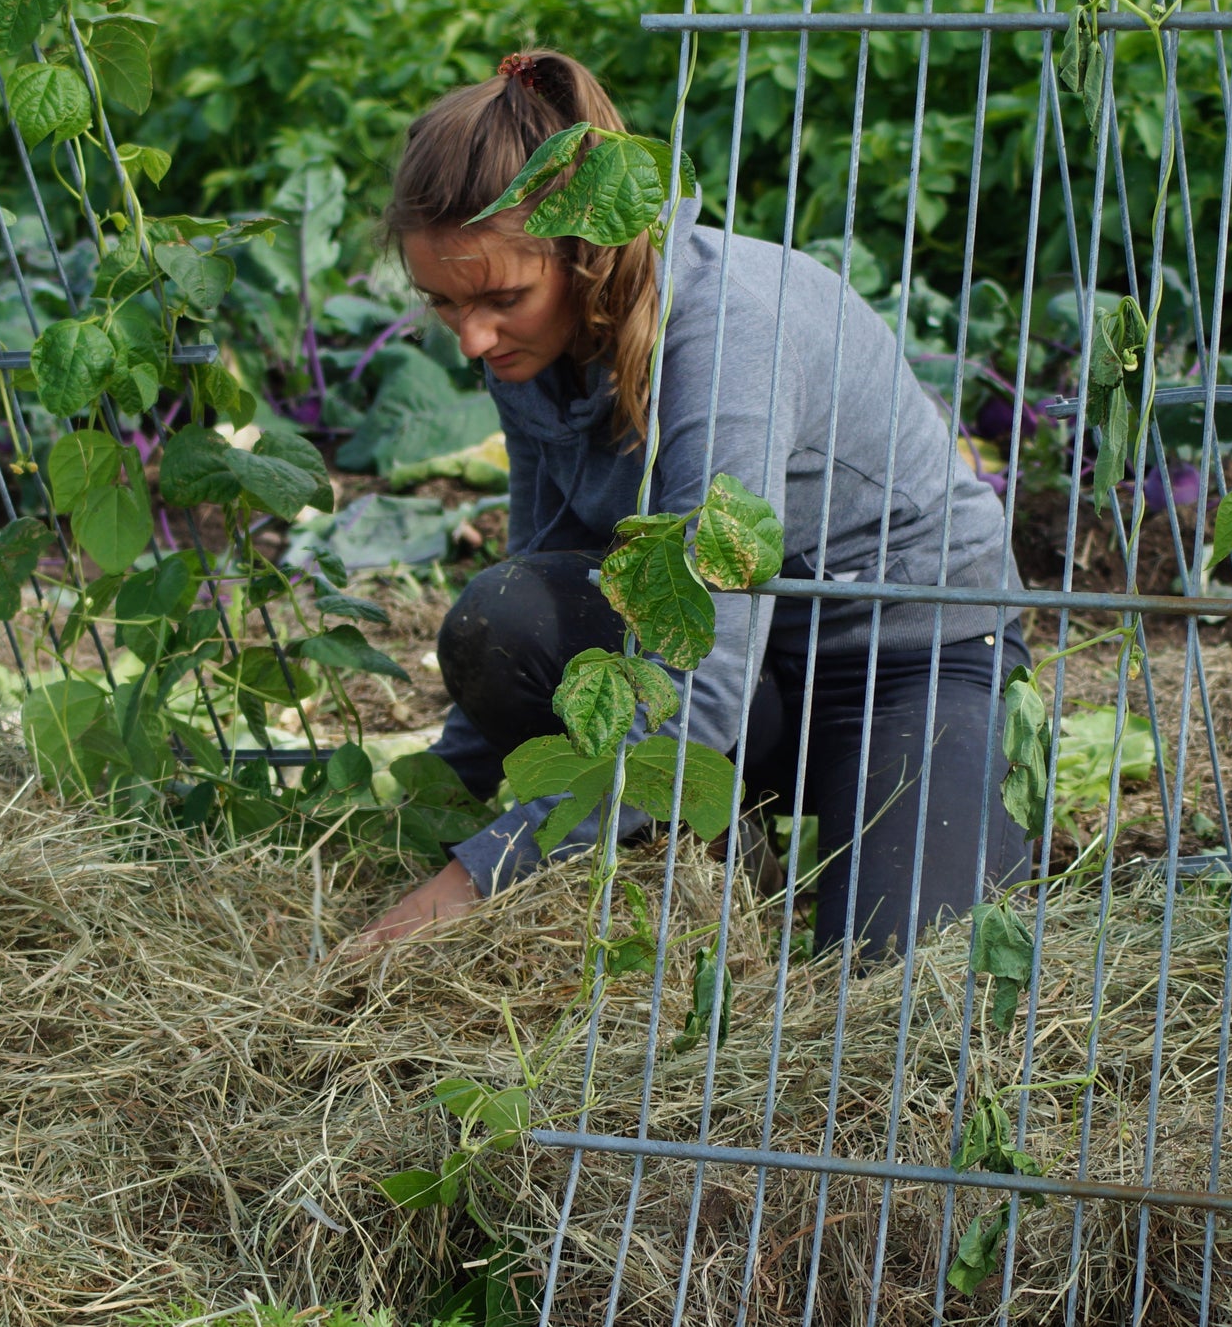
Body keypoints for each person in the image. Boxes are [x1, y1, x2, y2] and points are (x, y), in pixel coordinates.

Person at [358, 49, 1030, 956]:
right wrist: (432, 807)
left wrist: (477, 876)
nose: (472, 336)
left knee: (895, 990)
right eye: (441, 303)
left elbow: (703, 686)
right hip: (748, 666)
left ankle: (854, 807)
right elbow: (541, 577)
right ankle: (715, 843)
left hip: (906, 660)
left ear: (584, 252)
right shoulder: (527, 344)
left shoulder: (728, 341)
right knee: (503, 617)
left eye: (500, 297)